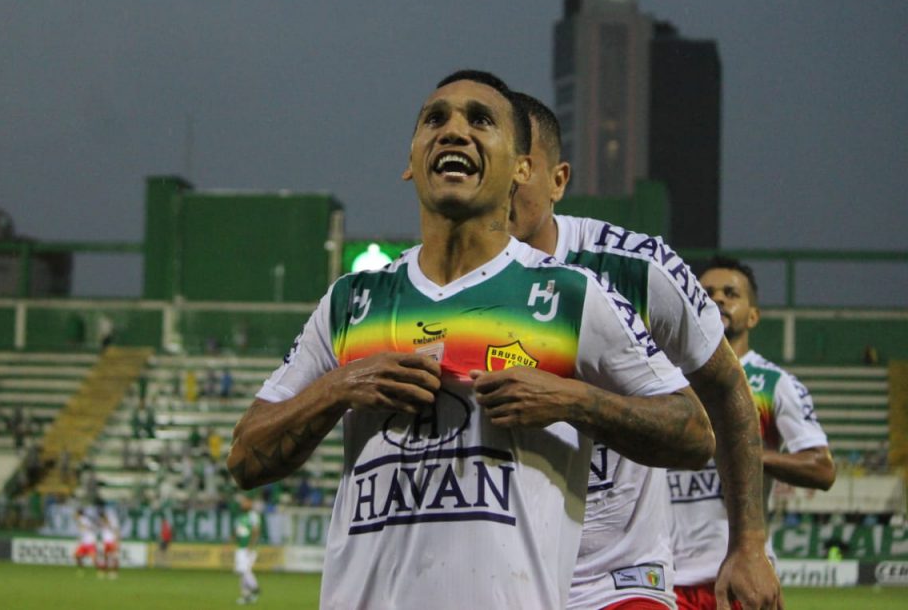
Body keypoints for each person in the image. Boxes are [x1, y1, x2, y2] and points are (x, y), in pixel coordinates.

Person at [227, 70, 714, 609]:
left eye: (480, 120)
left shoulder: (570, 295)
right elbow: (246, 457)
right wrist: (341, 385)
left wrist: (569, 400)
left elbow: (693, 433)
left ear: (521, 169)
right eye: (435, 119)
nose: (453, 130)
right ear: (411, 162)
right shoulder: (351, 301)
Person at [508, 92, 782, 610]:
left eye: (524, 166)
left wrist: (748, 545)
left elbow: (725, 388)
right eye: (498, 162)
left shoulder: (637, 265)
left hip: (616, 578)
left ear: (558, 180)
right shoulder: (442, 289)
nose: (508, 181)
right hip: (497, 573)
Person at [669, 257, 836, 609]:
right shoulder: (664, 379)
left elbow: (821, 467)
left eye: (731, 294)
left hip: (738, 574)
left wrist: (738, 451)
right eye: (706, 293)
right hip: (664, 576)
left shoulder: (772, 383)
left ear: (753, 316)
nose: (717, 300)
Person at [232, 494, 262, 605]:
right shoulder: (241, 516)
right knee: (242, 571)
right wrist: (233, 540)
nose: (243, 504)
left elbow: (256, 531)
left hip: (248, 548)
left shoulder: (252, 515)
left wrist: (251, 545)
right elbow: (239, 531)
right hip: (241, 547)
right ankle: (246, 596)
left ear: (250, 503)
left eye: (245, 502)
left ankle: (255, 588)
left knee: (244, 570)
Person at [74, 507, 99, 573]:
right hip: (84, 542)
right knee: (77, 555)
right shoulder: (81, 520)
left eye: (75, 513)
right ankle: (81, 569)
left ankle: (100, 570)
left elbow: (90, 527)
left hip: (90, 541)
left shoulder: (83, 519)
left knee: (93, 558)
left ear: (78, 514)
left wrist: (84, 527)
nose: (74, 515)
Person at [99, 505, 121, 580]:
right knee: (104, 556)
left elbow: (116, 530)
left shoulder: (113, 520)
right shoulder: (102, 520)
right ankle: (104, 571)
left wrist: (117, 540)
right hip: (105, 541)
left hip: (112, 540)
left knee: (113, 556)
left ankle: (114, 572)